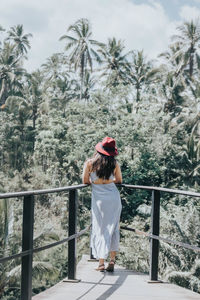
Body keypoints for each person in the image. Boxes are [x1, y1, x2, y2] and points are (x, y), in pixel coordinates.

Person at [82, 136, 122, 272]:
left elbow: (85, 181)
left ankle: (100, 263)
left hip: (99, 201)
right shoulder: (114, 164)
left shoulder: (90, 163)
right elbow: (119, 180)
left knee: (100, 228)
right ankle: (112, 261)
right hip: (114, 198)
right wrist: (108, 181)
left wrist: (96, 182)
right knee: (113, 227)